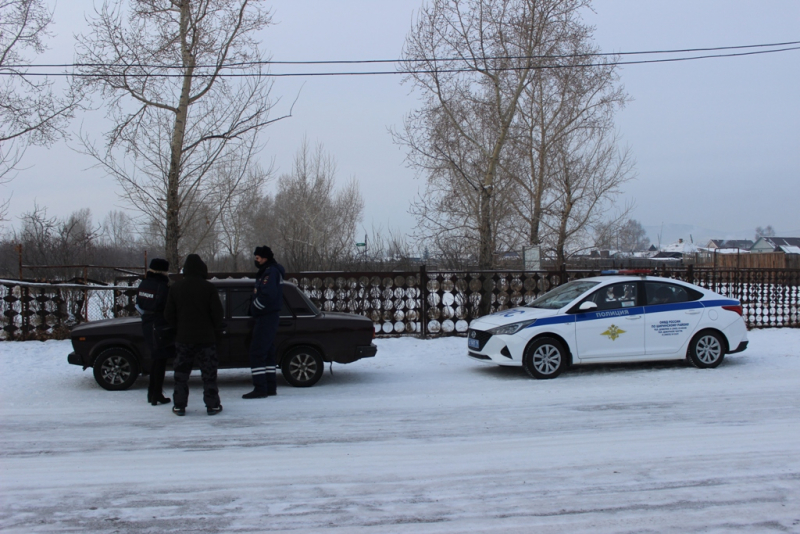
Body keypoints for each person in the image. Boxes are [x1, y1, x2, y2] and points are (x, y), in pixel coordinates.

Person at [164, 254, 224, 416]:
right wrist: (213, 328)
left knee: (181, 374)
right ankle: (212, 405)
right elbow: (218, 314)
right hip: (206, 339)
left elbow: (168, 314)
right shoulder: (209, 288)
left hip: (183, 338)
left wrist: (179, 328)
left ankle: (179, 405)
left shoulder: (176, 288)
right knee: (209, 374)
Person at [242, 246, 285, 399]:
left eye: (258, 257)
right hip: (267, 316)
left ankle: (260, 388)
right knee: (267, 353)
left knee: (257, 352)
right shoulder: (267, 271)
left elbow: (268, 295)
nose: (256, 260)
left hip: (266, 316)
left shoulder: (270, 272)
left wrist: (255, 308)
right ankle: (270, 387)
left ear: (265, 258)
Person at [135, 258, 172, 406]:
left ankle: (152, 393)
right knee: (160, 360)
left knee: (155, 358)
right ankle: (156, 394)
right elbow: (167, 307)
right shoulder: (162, 286)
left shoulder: (144, 284)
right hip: (159, 324)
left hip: (147, 323)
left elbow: (139, 304)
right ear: (163, 271)